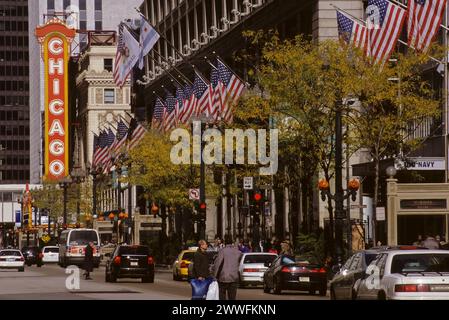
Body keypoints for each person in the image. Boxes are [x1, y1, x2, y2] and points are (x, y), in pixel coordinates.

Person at [213, 235, 242, 300]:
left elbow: (218, 264)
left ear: (225, 242)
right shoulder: (237, 252)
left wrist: (214, 276)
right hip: (234, 277)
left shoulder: (222, 251)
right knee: (232, 297)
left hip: (224, 277)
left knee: (222, 296)